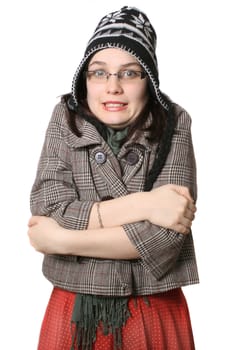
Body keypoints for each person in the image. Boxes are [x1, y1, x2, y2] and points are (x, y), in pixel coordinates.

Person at [28, 6, 199, 350]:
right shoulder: (64, 117)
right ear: (85, 79)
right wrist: (145, 204)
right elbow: (49, 206)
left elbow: (164, 239)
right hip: (73, 305)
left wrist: (60, 242)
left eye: (129, 73)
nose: (113, 87)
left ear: (148, 81)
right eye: (99, 73)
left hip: (152, 307)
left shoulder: (175, 122)